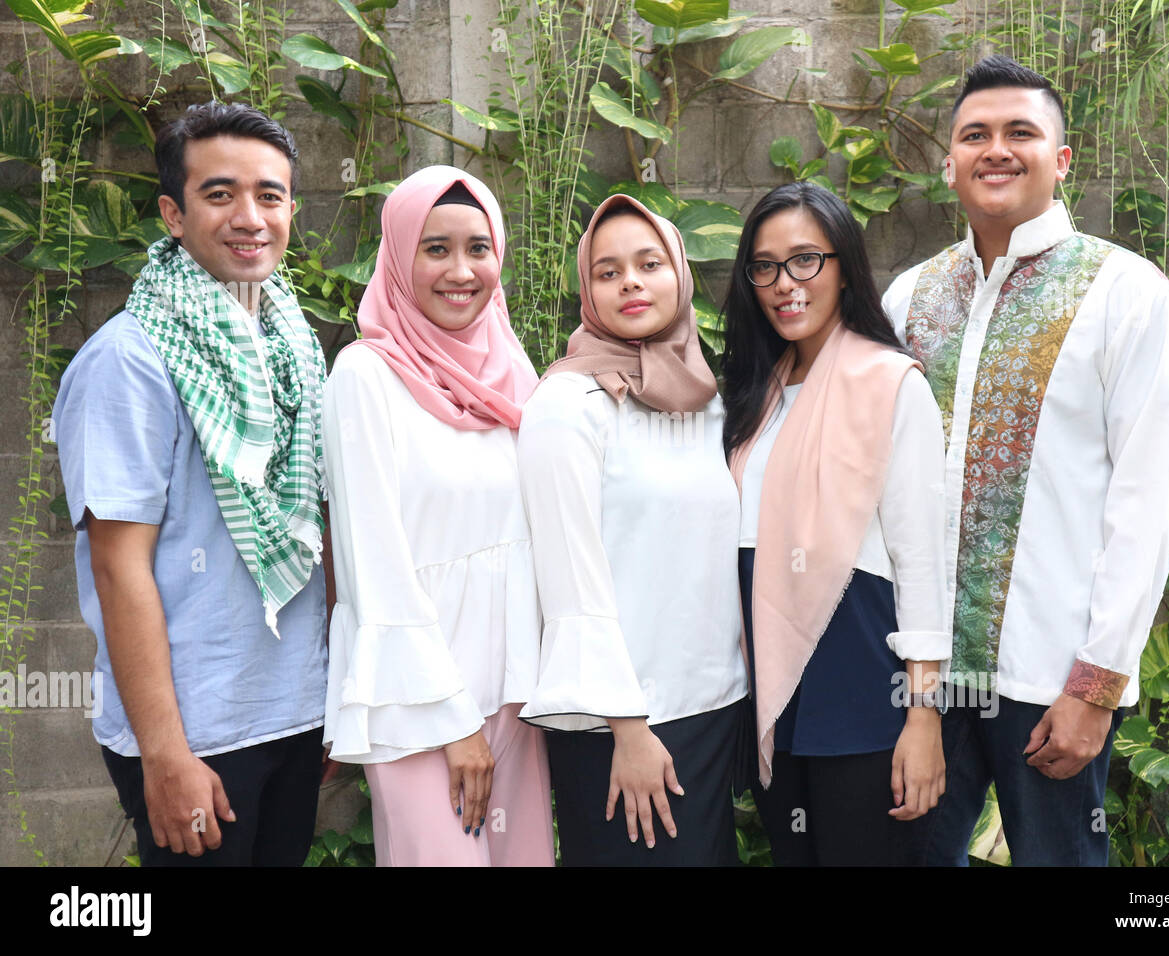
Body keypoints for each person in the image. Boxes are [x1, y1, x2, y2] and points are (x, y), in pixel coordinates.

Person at [881, 55, 1169, 866]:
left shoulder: (1128, 295)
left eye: (1021, 132)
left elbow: (1148, 501)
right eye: (975, 134)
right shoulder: (908, 299)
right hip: (920, 680)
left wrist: (1098, 685)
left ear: (1060, 159)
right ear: (947, 162)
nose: (997, 149)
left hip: (1050, 675)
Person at [52, 101, 329, 866]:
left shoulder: (292, 343)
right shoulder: (129, 362)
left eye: (269, 196)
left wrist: (327, 700)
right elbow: (119, 564)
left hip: (293, 714)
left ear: (291, 210)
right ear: (174, 213)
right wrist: (165, 756)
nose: (250, 217)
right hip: (197, 738)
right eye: (219, 194)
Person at [321, 166, 553, 867]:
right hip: (417, 701)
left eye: (478, 248)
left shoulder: (513, 372)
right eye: (436, 248)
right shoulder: (364, 377)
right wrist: (451, 720)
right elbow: (374, 568)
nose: (462, 270)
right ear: (398, 257)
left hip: (515, 698)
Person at [720, 181, 951, 866]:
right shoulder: (752, 391)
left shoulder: (892, 384)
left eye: (805, 260)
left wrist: (923, 714)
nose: (784, 284)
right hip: (766, 675)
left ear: (844, 265)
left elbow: (920, 559)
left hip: (856, 677)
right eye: (764, 267)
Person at [516, 195, 750, 866]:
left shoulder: (713, 403)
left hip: (710, 710)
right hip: (621, 723)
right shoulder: (567, 404)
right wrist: (627, 726)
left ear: (679, 273)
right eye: (608, 271)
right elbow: (570, 581)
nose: (632, 284)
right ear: (587, 292)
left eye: (650, 264)